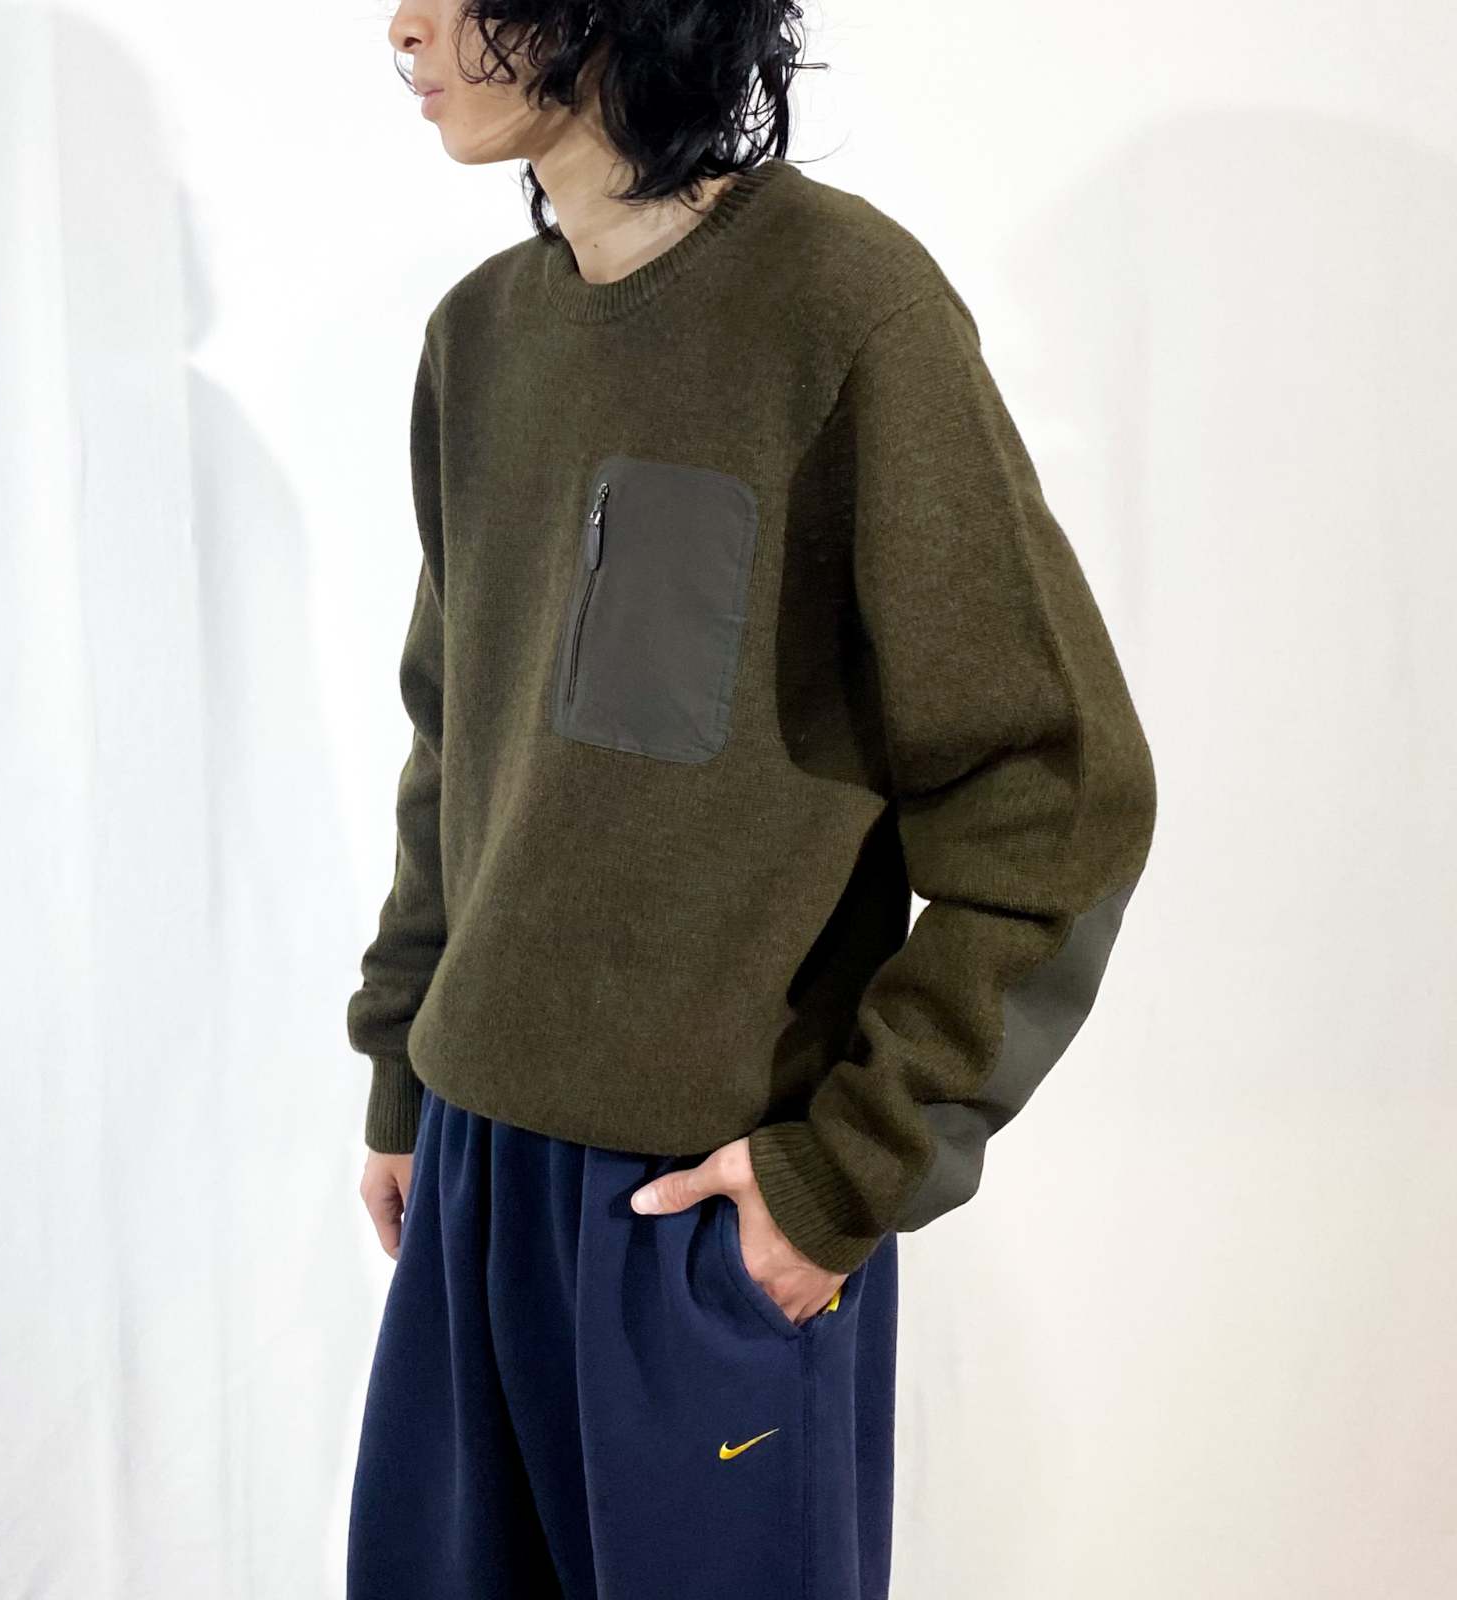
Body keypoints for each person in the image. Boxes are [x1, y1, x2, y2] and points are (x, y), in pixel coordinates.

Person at [344, 4, 1158, 1596]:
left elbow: (1051, 789)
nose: (403, 25)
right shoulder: (481, 338)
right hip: (470, 1171)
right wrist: (403, 1074)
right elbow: (457, 743)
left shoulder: (841, 309)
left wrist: (847, 1170)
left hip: (695, 1208)